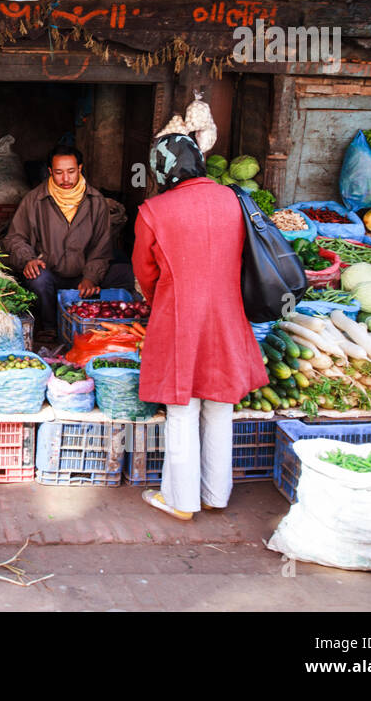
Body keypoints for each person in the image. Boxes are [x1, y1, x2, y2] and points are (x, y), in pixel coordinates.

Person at [132, 132, 266, 520]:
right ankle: (215, 496)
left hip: (180, 317)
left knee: (182, 409)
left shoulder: (154, 210)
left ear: (162, 170)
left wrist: (161, 302)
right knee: (220, 407)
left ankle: (181, 501)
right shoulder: (236, 199)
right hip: (228, 314)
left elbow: (145, 271)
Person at [2, 143, 133, 333]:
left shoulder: (96, 202)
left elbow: (101, 248)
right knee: (38, 279)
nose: (65, 178)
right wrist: (28, 260)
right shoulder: (34, 200)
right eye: (58, 172)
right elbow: (15, 237)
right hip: (50, 274)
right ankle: (49, 328)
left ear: (80, 168)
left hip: (82, 277)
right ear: (50, 171)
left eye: (71, 171)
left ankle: (100, 322)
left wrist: (91, 277)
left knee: (126, 274)